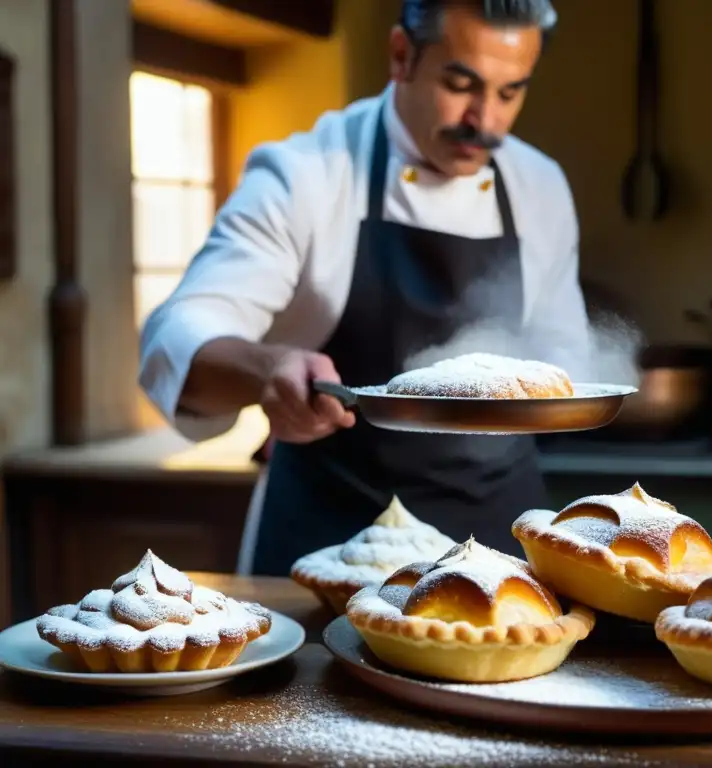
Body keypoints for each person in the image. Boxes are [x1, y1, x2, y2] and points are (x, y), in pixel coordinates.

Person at [138, 0, 589, 576]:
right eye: (460, 84)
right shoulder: (306, 174)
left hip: (496, 535)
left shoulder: (539, 185)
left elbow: (563, 351)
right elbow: (176, 335)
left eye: (510, 93)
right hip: (331, 535)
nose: (485, 121)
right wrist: (268, 368)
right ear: (401, 56)